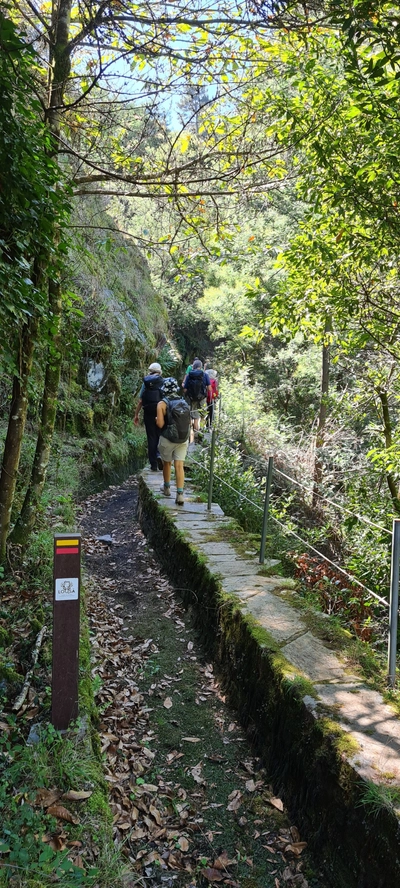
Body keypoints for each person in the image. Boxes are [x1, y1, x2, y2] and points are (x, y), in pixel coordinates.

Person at [156, 377, 190, 505]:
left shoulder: (161, 404)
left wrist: (156, 419)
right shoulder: (184, 402)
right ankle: (180, 495)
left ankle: (167, 488)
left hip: (168, 438)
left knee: (167, 463)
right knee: (179, 466)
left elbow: (160, 424)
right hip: (182, 439)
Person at [134, 362, 163, 471]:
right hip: (160, 412)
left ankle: (153, 464)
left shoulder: (146, 382)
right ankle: (159, 455)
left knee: (151, 437)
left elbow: (141, 401)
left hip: (148, 412)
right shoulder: (162, 381)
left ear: (150, 370)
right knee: (160, 435)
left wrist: (136, 414)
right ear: (160, 371)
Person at [183, 358, 211, 438]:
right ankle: (201, 433)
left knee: (195, 416)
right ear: (201, 366)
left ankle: (195, 435)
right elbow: (209, 388)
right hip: (202, 398)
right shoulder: (205, 374)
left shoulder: (189, 375)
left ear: (193, 366)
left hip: (193, 399)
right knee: (203, 415)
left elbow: (185, 389)